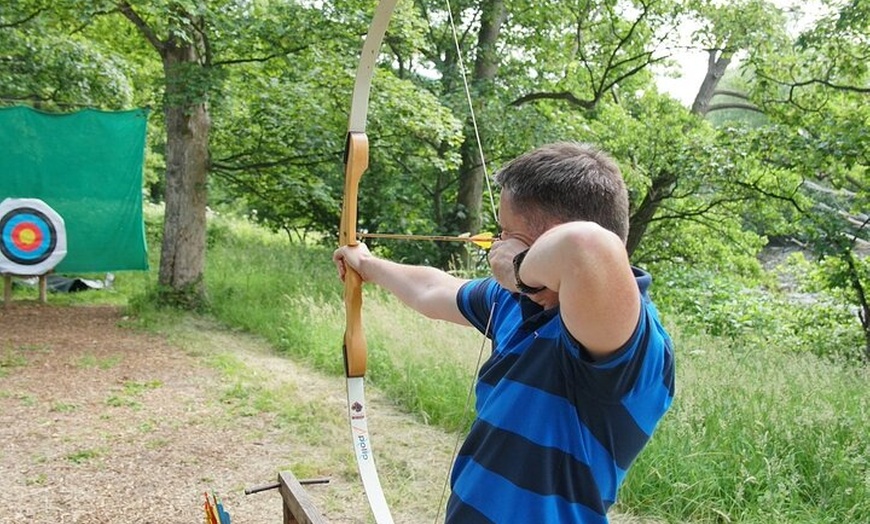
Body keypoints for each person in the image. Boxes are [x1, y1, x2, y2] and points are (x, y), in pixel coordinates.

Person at [333, 142, 675, 523]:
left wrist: (519, 268)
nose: (496, 244)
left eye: (506, 232)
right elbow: (434, 290)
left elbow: (588, 246)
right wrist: (366, 263)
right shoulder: (514, 302)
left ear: (546, 242)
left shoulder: (628, 339)